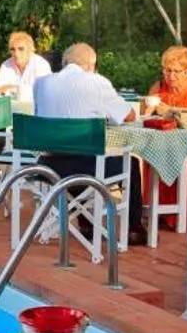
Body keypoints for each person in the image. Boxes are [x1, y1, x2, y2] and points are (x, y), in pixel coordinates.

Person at [30, 42, 146, 244]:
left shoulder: (41, 84)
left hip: (47, 165)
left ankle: (86, 222)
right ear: (91, 65)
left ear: (65, 63)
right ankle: (134, 229)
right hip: (86, 167)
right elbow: (128, 115)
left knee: (77, 155)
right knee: (131, 163)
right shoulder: (97, 82)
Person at [143, 45, 187, 126]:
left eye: (176, 71)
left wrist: (172, 112)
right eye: (168, 70)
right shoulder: (158, 86)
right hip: (164, 136)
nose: (171, 76)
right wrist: (147, 109)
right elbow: (144, 116)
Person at [0, 31, 52, 107]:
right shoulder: (7, 64)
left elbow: (44, 93)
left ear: (30, 50)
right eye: (12, 49)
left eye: (21, 49)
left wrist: (13, 88)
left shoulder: (41, 64)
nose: (16, 53)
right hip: (11, 111)